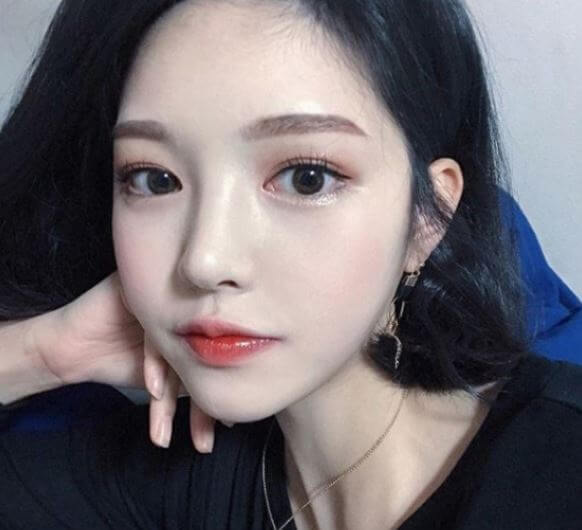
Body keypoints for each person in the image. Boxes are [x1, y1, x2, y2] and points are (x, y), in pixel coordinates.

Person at [0, 1, 581, 529]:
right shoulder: (179, 477)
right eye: (154, 179)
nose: (204, 261)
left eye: (307, 178)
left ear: (426, 219)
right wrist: (47, 354)